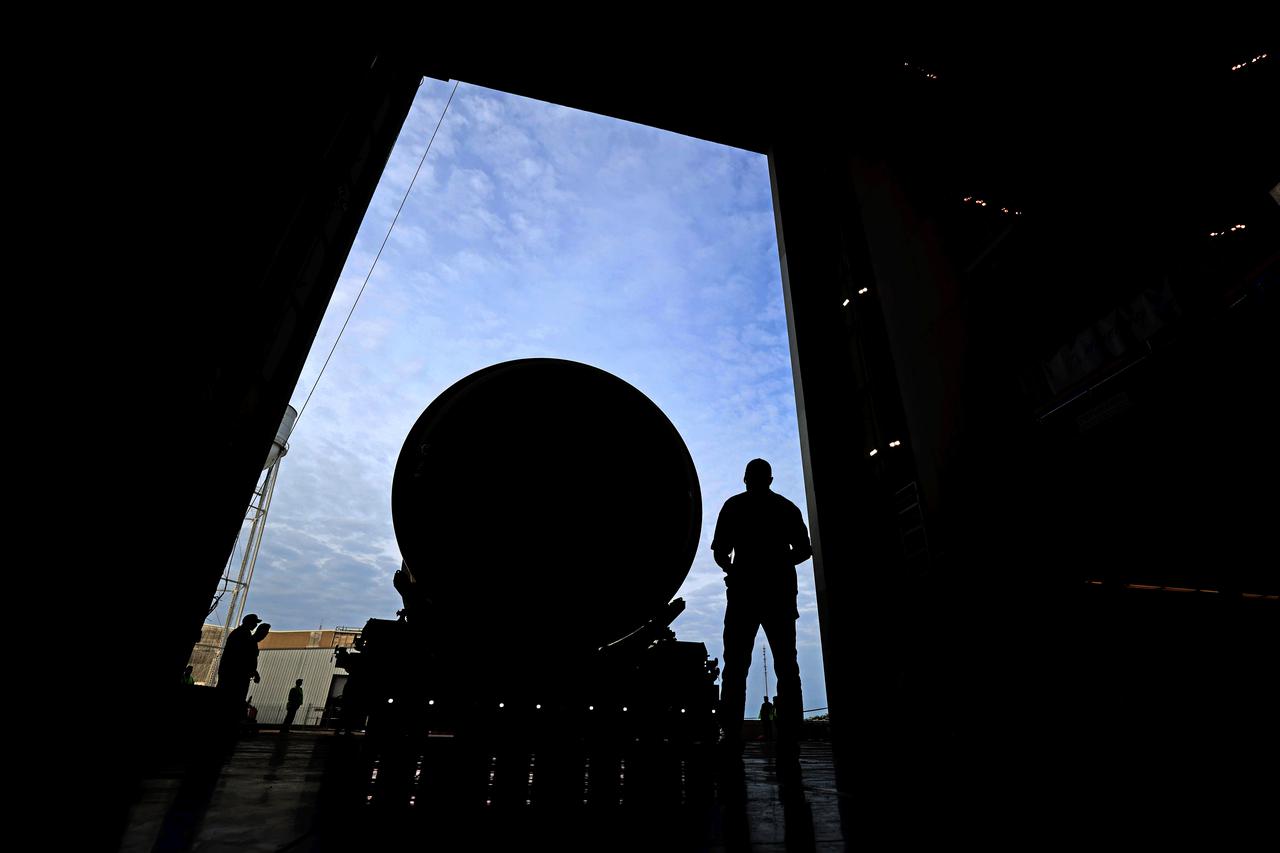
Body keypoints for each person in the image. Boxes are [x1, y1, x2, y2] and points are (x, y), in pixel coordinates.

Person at [712, 459, 812, 751]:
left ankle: (730, 731)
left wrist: (733, 570)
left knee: (736, 665)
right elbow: (804, 550)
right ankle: (791, 731)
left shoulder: (733, 507)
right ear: (771, 479)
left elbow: (720, 552)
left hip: (744, 594)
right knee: (786, 664)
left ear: (745, 479)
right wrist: (779, 563)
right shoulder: (786, 508)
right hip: (778, 593)